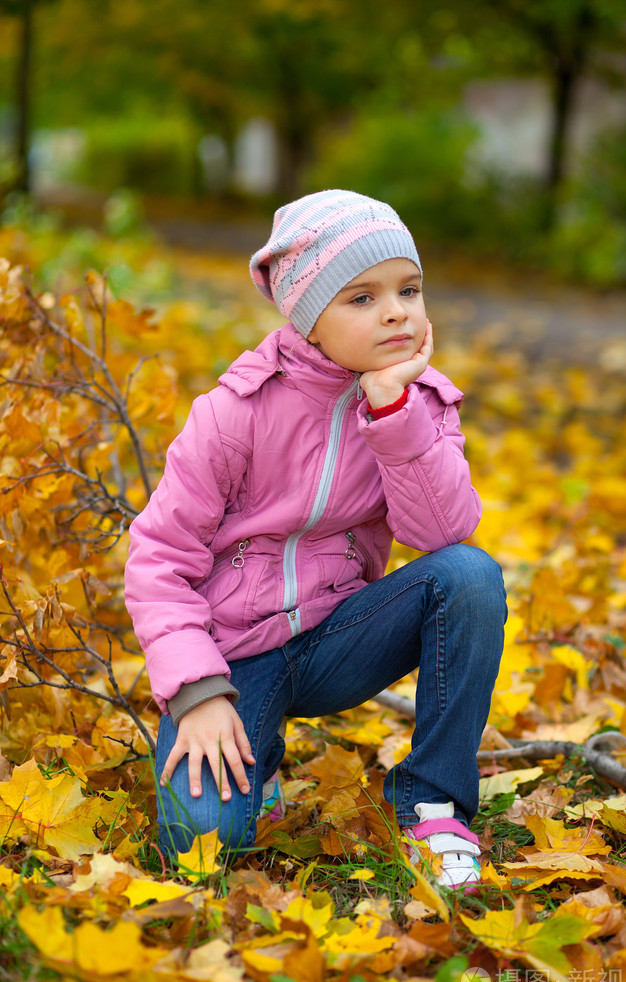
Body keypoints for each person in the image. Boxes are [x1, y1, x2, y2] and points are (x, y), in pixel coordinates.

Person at [124, 189, 507, 892]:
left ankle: (433, 800)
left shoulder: (420, 405)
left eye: (409, 289)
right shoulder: (236, 413)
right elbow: (157, 559)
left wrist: (393, 410)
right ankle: (257, 753)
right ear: (308, 316)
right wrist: (198, 692)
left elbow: (443, 534)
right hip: (233, 658)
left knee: (471, 576)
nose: (396, 310)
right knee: (203, 842)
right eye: (361, 297)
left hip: (341, 635)